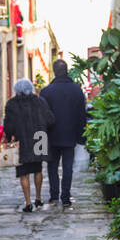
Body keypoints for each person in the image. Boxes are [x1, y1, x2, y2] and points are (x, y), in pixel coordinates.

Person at [38, 59, 87, 208]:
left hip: (51, 136)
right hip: (70, 135)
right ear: (67, 71)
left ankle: (54, 195)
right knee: (67, 167)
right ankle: (65, 196)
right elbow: (81, 115)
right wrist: (81, 137)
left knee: (52, 167)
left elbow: (41, 117)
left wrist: (40, 138)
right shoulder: (77, 90)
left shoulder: (46, 91)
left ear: (54, 72)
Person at [2, 78, 53, 212]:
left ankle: (28, 202)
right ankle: (38, 198)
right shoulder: (40, 101)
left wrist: (9, 136)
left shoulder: (11, 104)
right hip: (39, 139)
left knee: (23, 172)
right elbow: (50, 119)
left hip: (21, 140)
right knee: (38, 169)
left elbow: (8, 126)